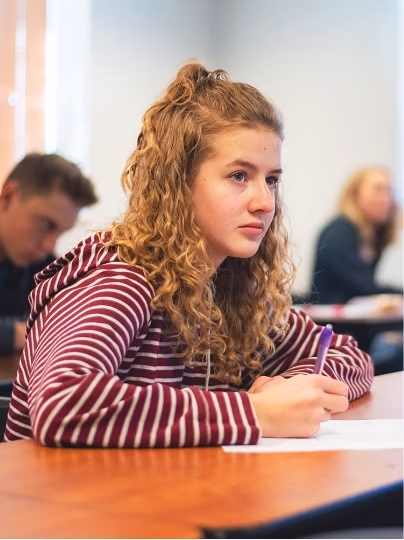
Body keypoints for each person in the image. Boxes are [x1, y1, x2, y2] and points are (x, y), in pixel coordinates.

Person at [4, 61, 373, 447]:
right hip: (66, 502)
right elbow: (64, 403)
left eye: (272, 180)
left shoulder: (233, 287)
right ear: (178, 183)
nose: (265, 202)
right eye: (238, 176)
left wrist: (294, 390)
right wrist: (255, 413)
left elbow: (348, 355)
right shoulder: (120, 279)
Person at [0, 153, 98, 354]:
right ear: (7, 198)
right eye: (46, 224)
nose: (49, 245)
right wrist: (19, 334)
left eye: (61, 232)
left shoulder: (44, 267)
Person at [310, 166, 403, 374]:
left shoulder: (372, 236)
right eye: (378, 189)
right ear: (355, 196)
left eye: (389, 191)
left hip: (359, 328)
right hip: (334, 335)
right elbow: (363, 286)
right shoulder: (338, 232)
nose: (387, 199)